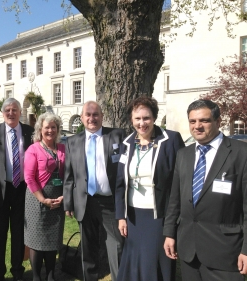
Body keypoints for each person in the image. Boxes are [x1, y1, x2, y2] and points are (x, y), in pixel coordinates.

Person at [163, 99, 247, 281]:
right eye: (192, 121)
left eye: (204, 121)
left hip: (226, 252)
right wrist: (169, 233)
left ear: (218, 122)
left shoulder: (241, 153)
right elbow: (175, 200)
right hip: (189, 250)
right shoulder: (184, 154)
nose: (197, 126)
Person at [114, 97, 184, 281]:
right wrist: (121, 216)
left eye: (146, 118)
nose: (142, 123)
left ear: (154, 117)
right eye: (137, 118)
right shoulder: (127, 143)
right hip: (133, 216)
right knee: (134, 261)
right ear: (131, 119)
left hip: (159, 216)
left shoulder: (171, 140)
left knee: (153, 262)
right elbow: (120, 183)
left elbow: (180, 180)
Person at [63, 101, 125, 281]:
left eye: (95, 114)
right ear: (82, 118)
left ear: (102, 116)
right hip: (85, 202)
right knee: (87, 249)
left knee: (117, 246)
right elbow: (69, 175)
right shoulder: (72, 141)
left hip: (110, 203)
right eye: (88, 115)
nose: (92, 118)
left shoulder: (117, 135)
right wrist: (68, 202)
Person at [0, 98, 34, 281]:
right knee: (0, 233)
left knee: (19, 233)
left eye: (14, 110)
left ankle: (17, 271)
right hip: (0, 192)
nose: (11, 113)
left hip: (23, 190)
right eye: (7, 110)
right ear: (2, 113)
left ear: (20, 112)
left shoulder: (30, 132)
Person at [24, 112, 65, 281]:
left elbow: (69, 175)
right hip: (37, 199)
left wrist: (64, 197)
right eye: (47, 127)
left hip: (58, 200)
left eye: (53, 127)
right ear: (40, 130)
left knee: (52, 240)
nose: (50, 130)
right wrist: (42, 199)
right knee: (36, 240)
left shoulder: (63, 148)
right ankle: (36, 277)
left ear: (57, 129)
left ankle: (50, 275)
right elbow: (29, 178)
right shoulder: (33, 149)